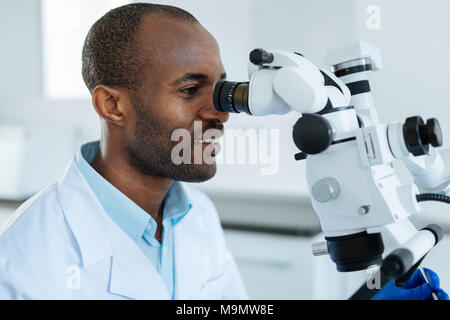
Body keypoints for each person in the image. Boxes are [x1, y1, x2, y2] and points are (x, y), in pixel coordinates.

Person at [0, 3, 446, 300]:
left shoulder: (196, 216)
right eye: (190, 88)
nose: (220, 113)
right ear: (112, 104)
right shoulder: (25, 261)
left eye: (221, 92)